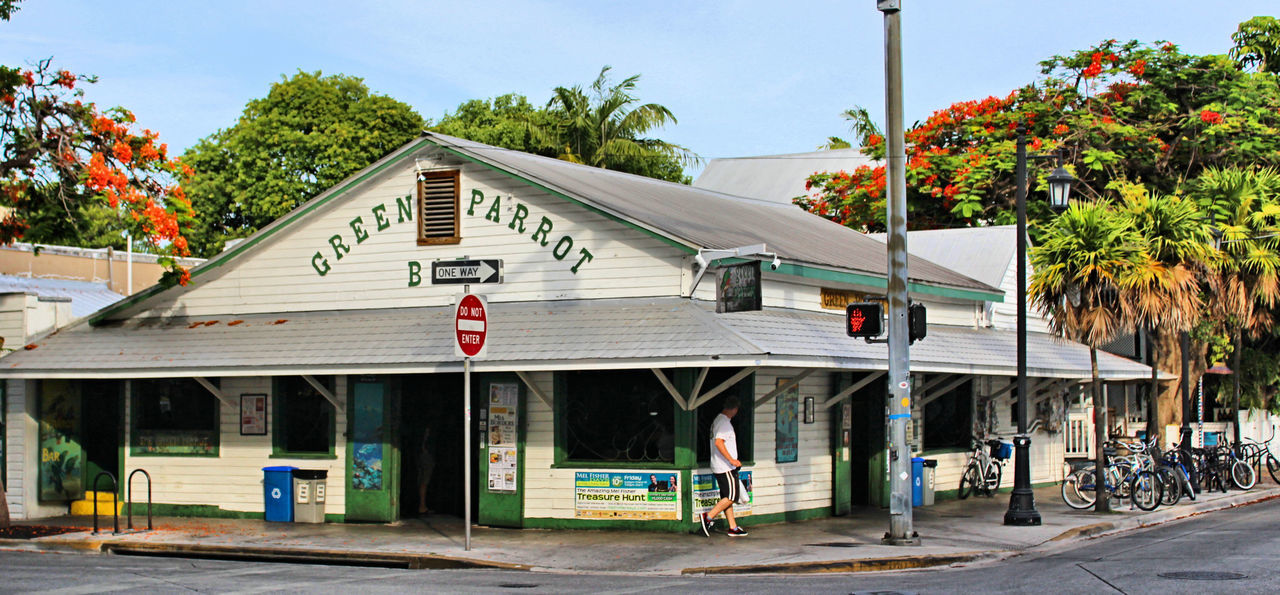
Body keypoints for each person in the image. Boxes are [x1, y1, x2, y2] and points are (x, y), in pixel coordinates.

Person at [698, 396, 747, 537]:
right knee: (732, 496)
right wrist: (732, 460)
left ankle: (733, 527)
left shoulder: (718, 421)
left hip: (719, 465)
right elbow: (719, 442)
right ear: (735, 409)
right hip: (725, 466)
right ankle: (708, 517)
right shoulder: (724, 423)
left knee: (727, 496)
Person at [417, 425, 436, 515]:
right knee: (424, 482)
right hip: (426, 457)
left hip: (424, 456)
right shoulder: (427, 436)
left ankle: (422, 506)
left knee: (423, 482)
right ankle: (422, 506)